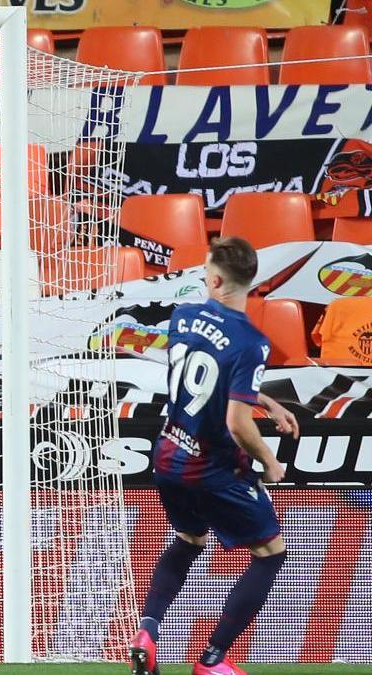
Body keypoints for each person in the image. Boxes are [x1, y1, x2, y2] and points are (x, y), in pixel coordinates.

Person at [129, 237, 300, 675]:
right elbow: (237, 424)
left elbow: (205, 371)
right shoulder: (252, 343)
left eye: (205, 270)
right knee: (270, 551)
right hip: (213, 468)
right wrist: (270, 462)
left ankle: (147, 631)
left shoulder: (183, 316)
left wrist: (266, 401)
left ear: (217, 278)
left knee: (190, 539)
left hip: (168, 455)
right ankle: (212, 659)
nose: (203, 276)